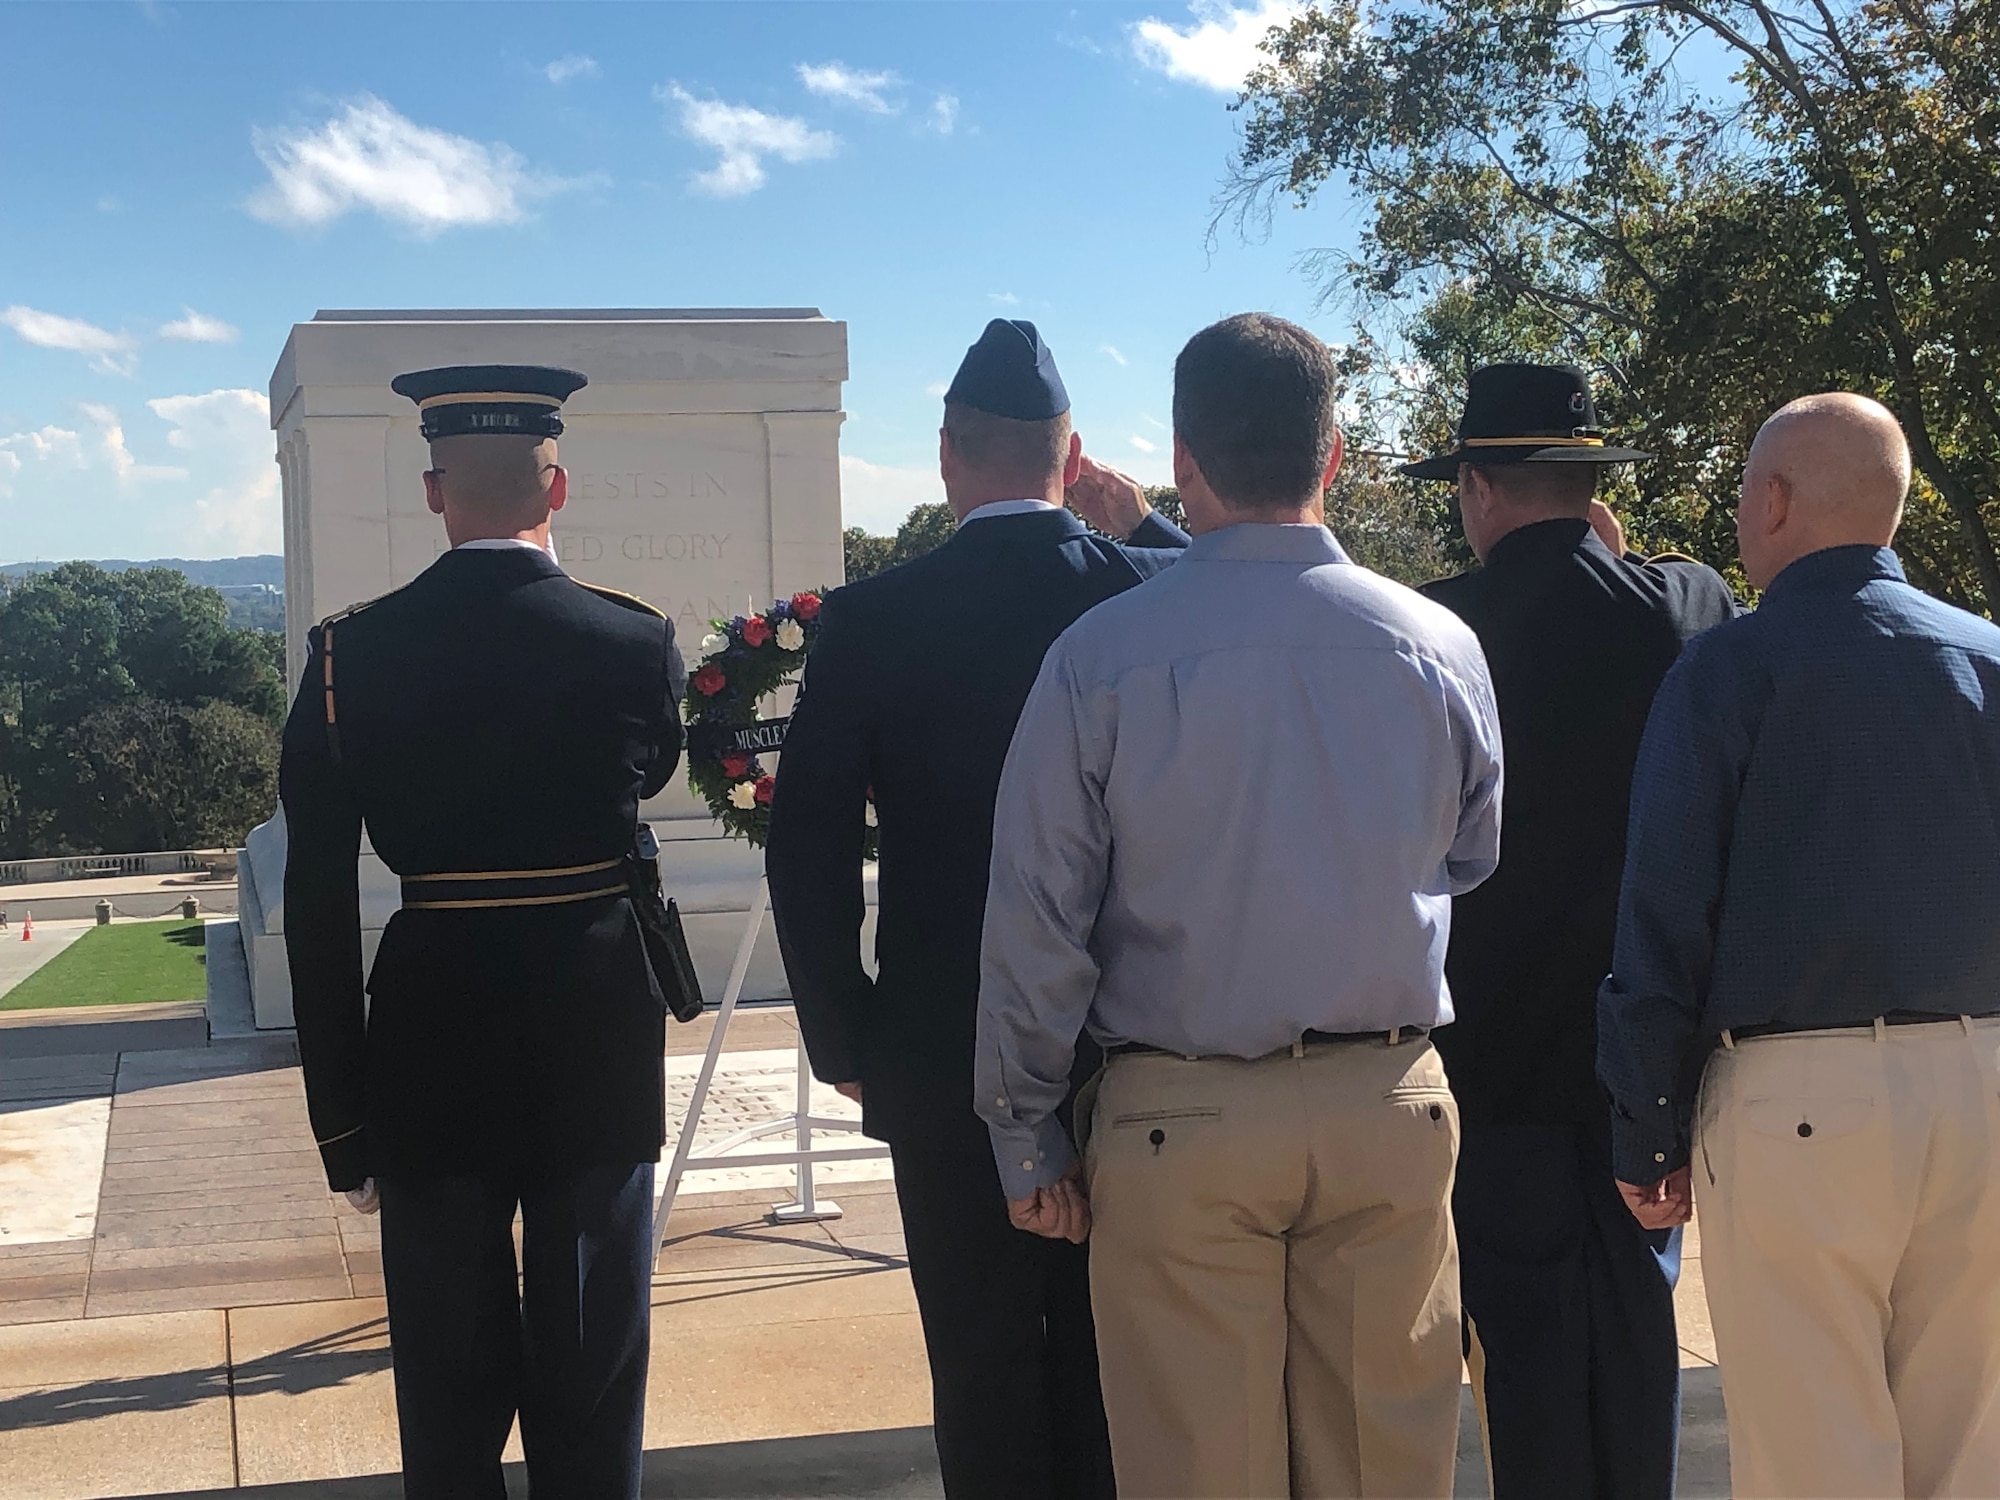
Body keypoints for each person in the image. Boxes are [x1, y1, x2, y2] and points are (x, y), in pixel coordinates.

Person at [976, 312, 1502, 1500]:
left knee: (1196, 1473)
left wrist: (1022, 1126)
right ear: (1332, 454)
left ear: (1180, 458)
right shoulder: (1439, 643)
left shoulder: (1098, 656)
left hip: (1181, 1114)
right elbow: (1467, 856)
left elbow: (1038, 915)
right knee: (1386, 1470)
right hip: (1384, 1100)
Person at [765, 319, 1189, 1500]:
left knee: (979, 1360)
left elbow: (802, 853)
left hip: (942, 1050)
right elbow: (1232, 582)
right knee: (1118, 1363)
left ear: (947, 458)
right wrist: (1142, 520)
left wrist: (849, 1039)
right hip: (1134, 1041)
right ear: (1069, 455)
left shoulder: (871, 620)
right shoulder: (1149, 592)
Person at [280, 364, 686, 1499]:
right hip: (592, 1026)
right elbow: (649, 771)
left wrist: (340, 1123)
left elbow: (317, 894)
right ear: (558, 490)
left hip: (429, 1026)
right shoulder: (631, 640)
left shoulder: (345, 658)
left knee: (447, 1377)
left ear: (431, 492)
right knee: (591, 1361)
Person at [1599, 392, 2000, 1498]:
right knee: (1968, 1447)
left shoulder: (1728, 669)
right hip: (1982, 1082)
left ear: (1773, 500)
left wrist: (1645, 1122)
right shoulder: (1987, 659)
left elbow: (1664, 910)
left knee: (1814, 1459)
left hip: (1798, 1098)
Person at [1403, 363, 1738, 1499]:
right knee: (1639, 1348)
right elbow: (1681, 593)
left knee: (1524, 1372)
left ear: (1476, 491)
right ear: (1594, 485)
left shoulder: (1434, 623)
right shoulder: (1682, 609)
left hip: (1489, 1066)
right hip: (1646, 1064)